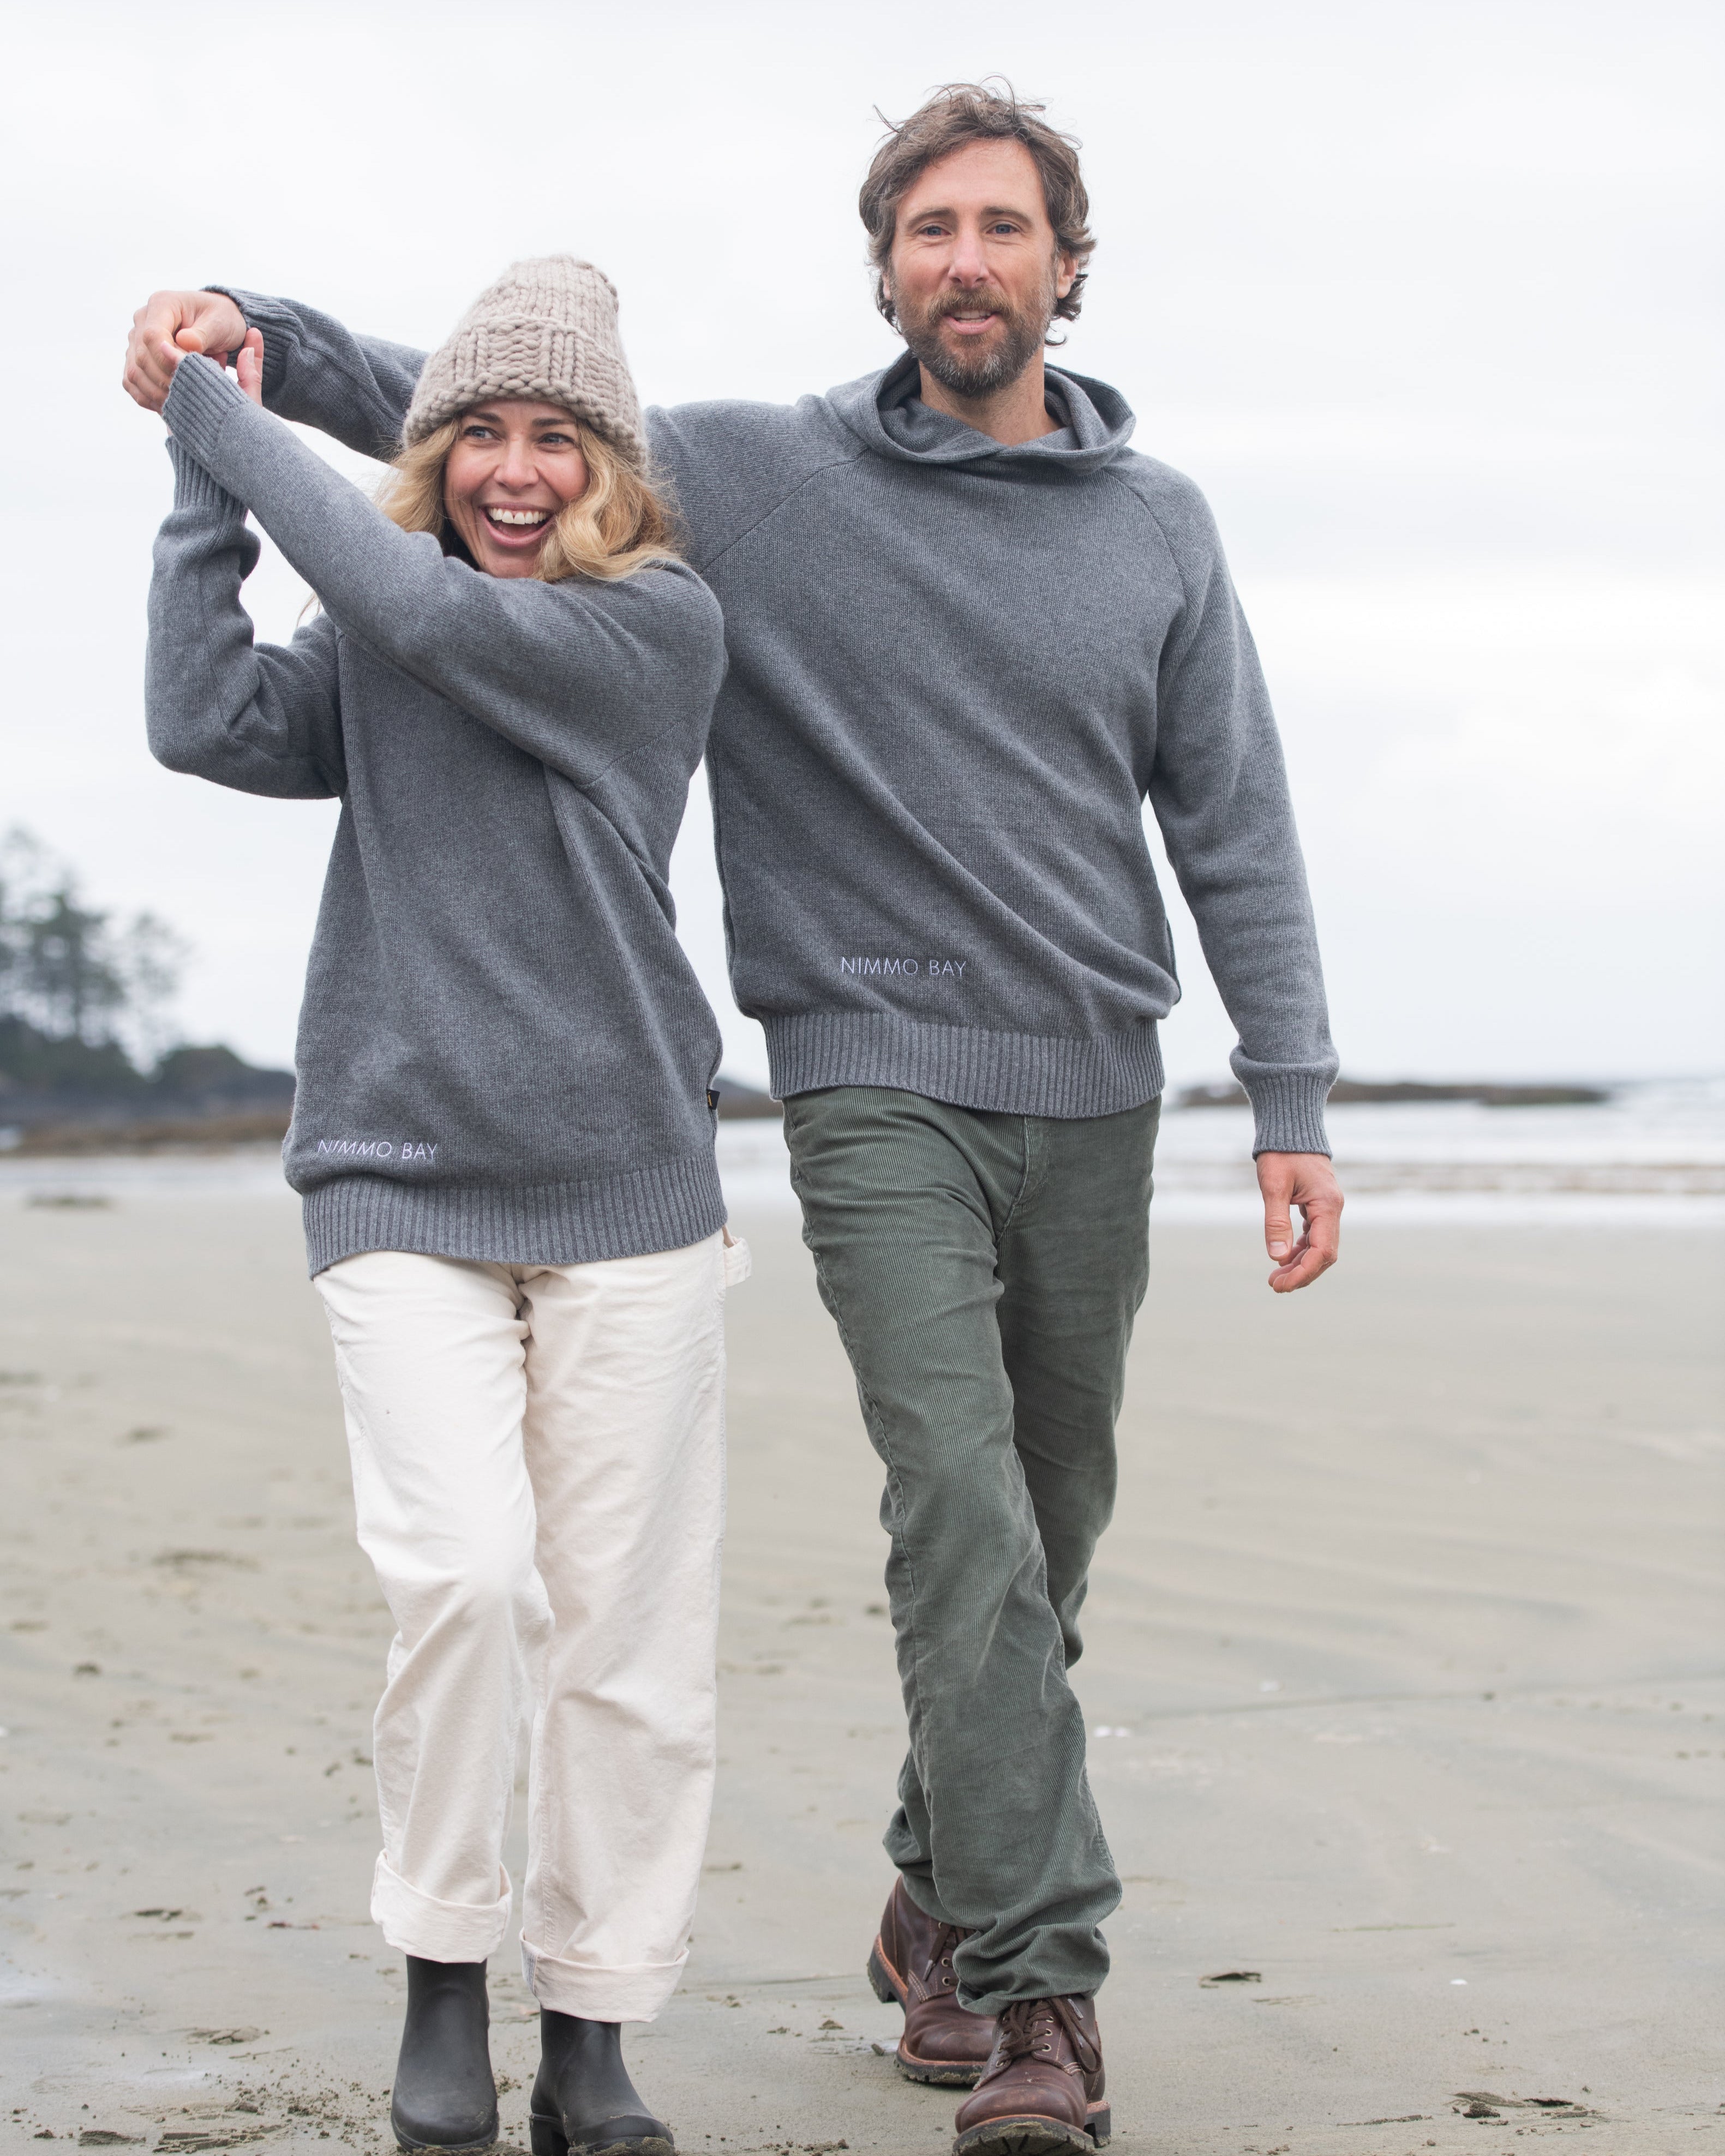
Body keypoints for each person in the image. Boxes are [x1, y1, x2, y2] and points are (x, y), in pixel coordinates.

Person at [126, 81, 1344, 2156]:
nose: (967, 261)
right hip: (862, 1075)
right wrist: (253, 333)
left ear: (1063, 260)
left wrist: (1289, 1092)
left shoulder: (1159, 527)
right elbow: (487, 418)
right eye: (930, 230)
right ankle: (1040, 1999)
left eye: (1004, 227)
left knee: (1040, 1544)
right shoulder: (749, 487)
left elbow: (1227, 810)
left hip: (1098, 1080)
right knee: (956, 1517)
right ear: (884, 266)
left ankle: (937, 1886)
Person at [137, 256, 743, 2156]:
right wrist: (199, 479)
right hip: (396, 1176)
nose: (510, 466)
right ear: (432, 443)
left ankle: (592, 2028)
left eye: (555, 434)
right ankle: (440, 1972)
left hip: (630, 1189)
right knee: (466, 1581)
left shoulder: (659, 626)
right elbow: (205, 722)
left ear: (613, 468)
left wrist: (213, 398)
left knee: (625, 1647)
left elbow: (399, 588)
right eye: (476, 427)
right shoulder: (390, 647)